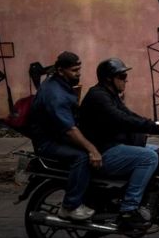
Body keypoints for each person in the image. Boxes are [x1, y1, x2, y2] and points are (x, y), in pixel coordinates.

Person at [79, 57, 159, 230]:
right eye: (122, 77)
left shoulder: (109, 95)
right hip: (103, 151)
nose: (126, 80)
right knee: (148, 158)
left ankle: (145, 196)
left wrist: (158, 125)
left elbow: (130, 115)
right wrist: (158, 127)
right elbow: (122, 120)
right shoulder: (99, 97)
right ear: (109, 78)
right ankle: (129, 209)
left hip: (112, 145)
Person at [28, 51, 103, 221]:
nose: (78, 73)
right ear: (61, 70)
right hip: (49, 143)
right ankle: (70, 206)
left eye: (79, 69)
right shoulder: (55, 94)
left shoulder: (59, 82)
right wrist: (92, 149)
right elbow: (69, 129)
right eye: (74, 70)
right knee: (83, 156)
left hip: (57, 136)